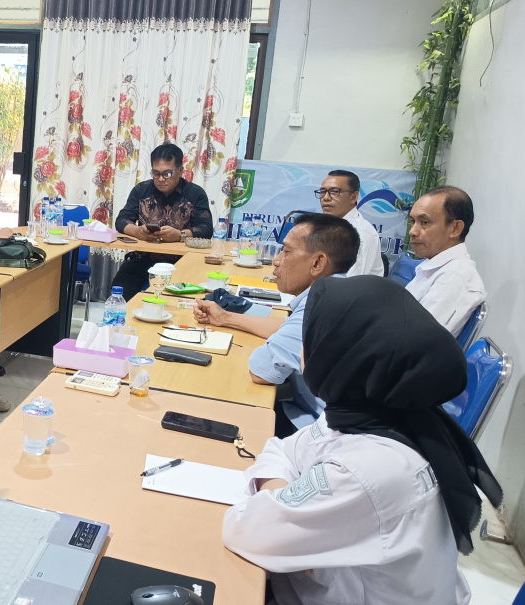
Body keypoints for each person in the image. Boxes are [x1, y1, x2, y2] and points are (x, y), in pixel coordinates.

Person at [222, 275, 502, 605]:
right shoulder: (371, 411)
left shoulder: (371, 468)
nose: (302, 348)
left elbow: (246, 531)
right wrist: (285, 503)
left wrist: (283, 513)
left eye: (312, 338)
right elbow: (281, 449)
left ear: (340, 356)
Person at [193, 213, 359, 436]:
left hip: (322, 433)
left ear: (318, 263)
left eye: (286, 251)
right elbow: (287, 326)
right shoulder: (336, 294)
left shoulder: (320, 306)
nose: (276, 260)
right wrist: (224, 318)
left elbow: (261, 371)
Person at [111, 143, 213, 300]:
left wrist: (179, 235)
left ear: (180, 171)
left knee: (177, 299)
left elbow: (206, 229)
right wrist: (138, 232)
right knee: (120, 288)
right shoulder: (141, 190)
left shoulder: (195, 194)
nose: (160, 179)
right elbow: (122, 220)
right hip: (143, 259)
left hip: (181, 261)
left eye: (167, 174)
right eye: (156, 173)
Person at [405, 186, 486, 336]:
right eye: (413, 221)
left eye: (424, 222)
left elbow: (415, 338)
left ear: (455, 228)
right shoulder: (434, 266)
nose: (413, 231)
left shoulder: (454, 276)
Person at [314, 169, 383, 276]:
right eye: (323, 192)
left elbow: (349, 280)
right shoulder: (328, 226)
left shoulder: (361, 234)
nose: (326, 198)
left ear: (353, 197)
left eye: (335, 192)